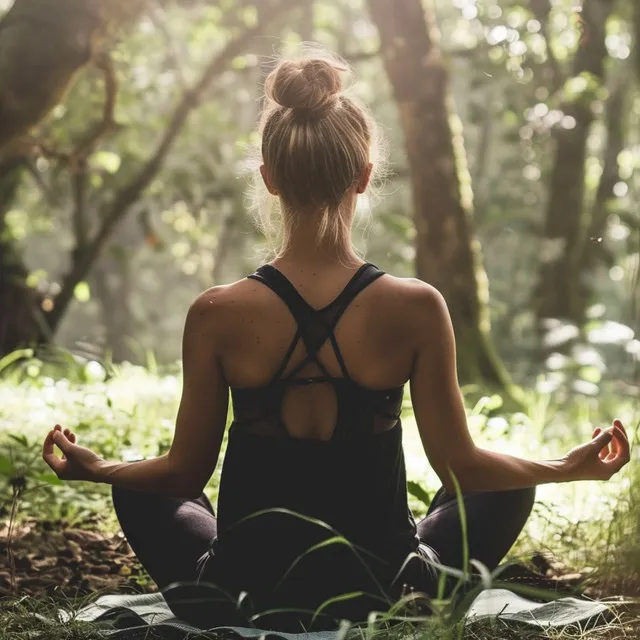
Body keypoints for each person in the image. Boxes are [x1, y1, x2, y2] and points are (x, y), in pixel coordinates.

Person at [43, 50, 630, 632]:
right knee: (506, 484)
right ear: (365, 175)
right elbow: (461, 468)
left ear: (269, 179)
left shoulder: (216, 312)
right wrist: (561, 468)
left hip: (238, 595)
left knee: (143, 490)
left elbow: (181, 476)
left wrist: (100, 469)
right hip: (390, 593)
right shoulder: (417, 306)